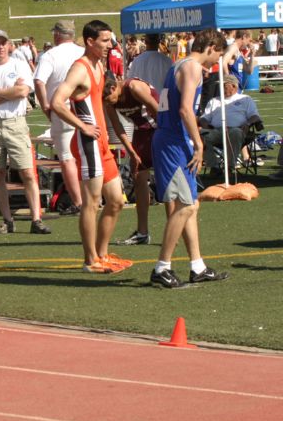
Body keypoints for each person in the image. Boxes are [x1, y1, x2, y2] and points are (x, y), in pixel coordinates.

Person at [150, 28, 229, 288]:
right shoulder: (193, 67)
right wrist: (198, 143)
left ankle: (197, 265)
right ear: (211, 47)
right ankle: (162, 267)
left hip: (171, 138)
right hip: (174, 141)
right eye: (217, 54)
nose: (215, 61)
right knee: (186, 206)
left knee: (190, 205)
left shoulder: (178, 66)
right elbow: (185, 109)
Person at [51, 20, 130, 274]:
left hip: (102, 143)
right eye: (105, 41)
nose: (110, 45)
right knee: (92, 202)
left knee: (116, 200)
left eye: (110, 40)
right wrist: (82, 126)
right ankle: (90, 260)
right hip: (89, 143)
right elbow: (57, 102)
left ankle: (102, 253)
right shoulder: (80, 68)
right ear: (90, 41)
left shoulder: (99, 63)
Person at [0, 30, 50, 235]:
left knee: (27, 171)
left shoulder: (18, 65)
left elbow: (23, 91)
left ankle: (36, 219)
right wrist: (10, 93)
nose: (0, 47)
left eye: (3, 43)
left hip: (15, 123)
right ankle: (7, 219)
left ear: (8, 45)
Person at [33, 20, 85, 215]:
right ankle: (90, 197)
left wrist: (45, 105)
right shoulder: (82, 52)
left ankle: (79, 202)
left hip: (61, 107)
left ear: (57, 35)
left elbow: (39, 81)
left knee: (66, 157)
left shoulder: (50, 55)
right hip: (84, 108)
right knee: (85, 154)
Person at [103, 74, 159, 246]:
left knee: (167, 180)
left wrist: (166, 139)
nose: (107, 102)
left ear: (113, 88)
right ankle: (142, 232)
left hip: (159, 129)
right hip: (141, 132)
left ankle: (176, 227)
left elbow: (158, 111)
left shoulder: (134, 87)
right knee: (138, 177)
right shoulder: (109, 99)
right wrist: (131, 151)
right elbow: (117, 126)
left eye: (107, 98)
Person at [199, 74, 263, 172]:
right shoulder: (214, 101)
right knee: (199, 135)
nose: (220, 87)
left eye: (224, 85)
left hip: (237, 130)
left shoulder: (245, 99)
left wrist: (248, 123)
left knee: (235, 132)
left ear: (233, 86)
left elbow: (255, 116)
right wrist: (206, 125)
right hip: (216, 131)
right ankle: (214, 165)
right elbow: (204, 118)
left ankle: (229, 166)